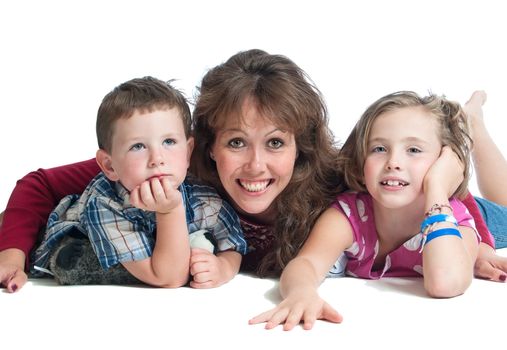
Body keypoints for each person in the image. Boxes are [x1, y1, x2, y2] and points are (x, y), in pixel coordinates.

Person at [0, 49, 505, 293]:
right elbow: (40, 184)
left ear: (301, 147)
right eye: (237, 142)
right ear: (209, 146)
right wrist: (14, 252)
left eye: (276, 144)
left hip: (446, 221)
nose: (256, 166)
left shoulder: (338, 180)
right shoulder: (169, 167)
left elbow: (421, 198)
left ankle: (475, 124)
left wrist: (475, 241)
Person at [249, 91, 481, 330]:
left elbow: (446, 283)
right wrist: (301, 292)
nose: (393, 162)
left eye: (413, 150)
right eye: (379, 149)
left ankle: (474, 120)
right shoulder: (350, 214)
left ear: (443, 164)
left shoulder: (453, 218)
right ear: (361, 162)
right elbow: (306, 263)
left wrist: (437, 188)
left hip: (486, 215)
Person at [29, 76, 247, 288]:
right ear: (109, 165)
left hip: (154, 252)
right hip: (80, 236)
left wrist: (223, 267)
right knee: (74, 256)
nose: (157, 159)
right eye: (138, 146)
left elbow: (234, 244)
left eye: (169, 141)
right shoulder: (104, 204)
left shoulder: (204, 198)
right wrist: (170, 211)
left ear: (188, 151)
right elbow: (170, 278)